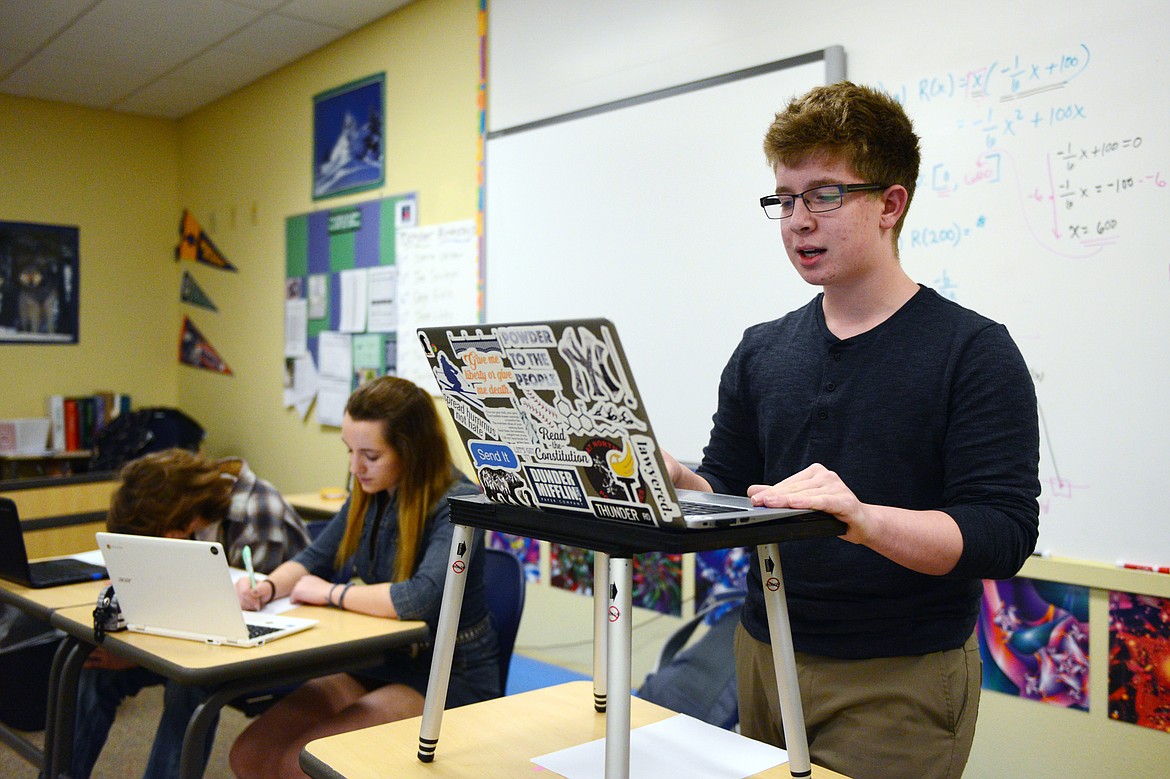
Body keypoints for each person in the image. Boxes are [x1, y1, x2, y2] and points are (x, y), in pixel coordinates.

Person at [663, 82, 1040, 778]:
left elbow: (1002, 533)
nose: (797, 220)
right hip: (763, 649)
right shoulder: (760, 350)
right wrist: (680, 480)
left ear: (891, 203)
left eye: (825, 194)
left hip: (896, 675)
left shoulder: (974, 352)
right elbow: (730, 485)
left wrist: (863, 519)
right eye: (784, 197)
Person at [229, 375, 499, 779]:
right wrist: (266, 587)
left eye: (370, 455)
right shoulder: (372, 491)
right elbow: (314, 557)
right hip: (379, 658)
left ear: (412, 452)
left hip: (445, 675)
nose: (355, 468)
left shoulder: (457, 503)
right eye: (350, 452)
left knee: (297, 766)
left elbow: (420, 598)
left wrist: (331, 594)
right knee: (249, 754)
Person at [73, 448, 311, 779]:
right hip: (196, 637)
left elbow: (242, 628)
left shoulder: (258, 512)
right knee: (97, 668)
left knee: (189, 686)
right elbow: (178, 604)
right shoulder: (184, 510)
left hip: (267, 649)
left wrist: (140, 657)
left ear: (182, 524)